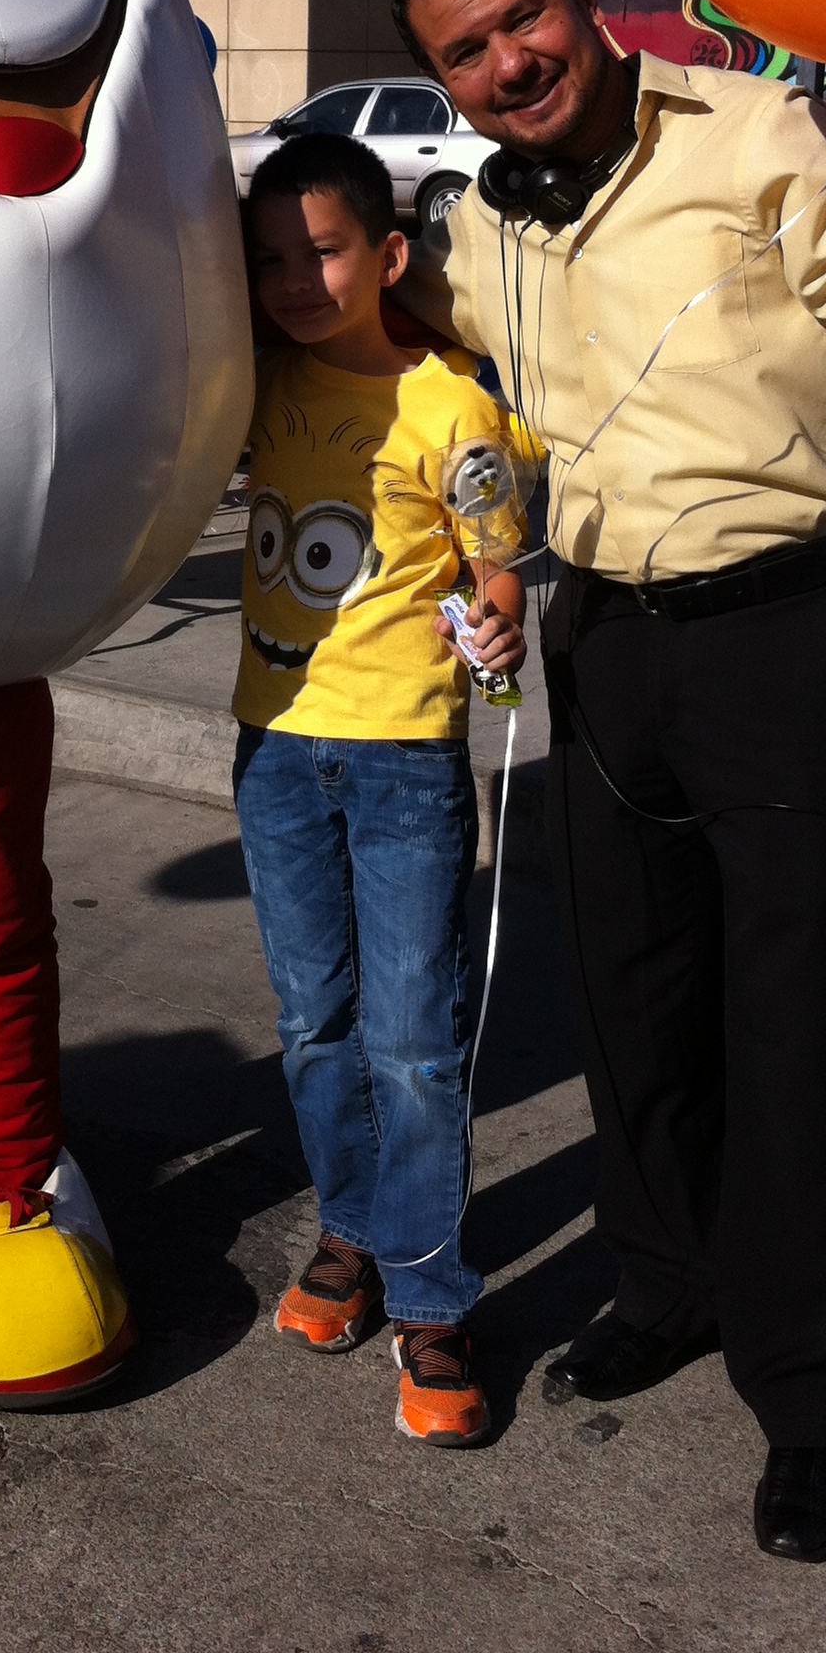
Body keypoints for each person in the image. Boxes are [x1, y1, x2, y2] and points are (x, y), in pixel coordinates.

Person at [389, 0, 826, 1557]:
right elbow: (398, 328)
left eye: (522, 17)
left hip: (787, 635)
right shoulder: (479, 225)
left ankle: (817, 1396)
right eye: (466, 53)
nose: (508, 62)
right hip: (604, 642)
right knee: (636, 1002)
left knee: (803, 1032)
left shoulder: (750, 134)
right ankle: (667, 1287)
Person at [236, 131, 528, 1449]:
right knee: (315, 1023)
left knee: (412, 1041)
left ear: (389, 254)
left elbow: (498, 558)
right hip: (274, 748)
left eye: (326, 252)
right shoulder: (252, 384)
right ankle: (351, 1230)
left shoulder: (453, 408)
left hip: (407, 757)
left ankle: (428, 1298)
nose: (298, 281)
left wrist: (500, 617)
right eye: (272, 261)